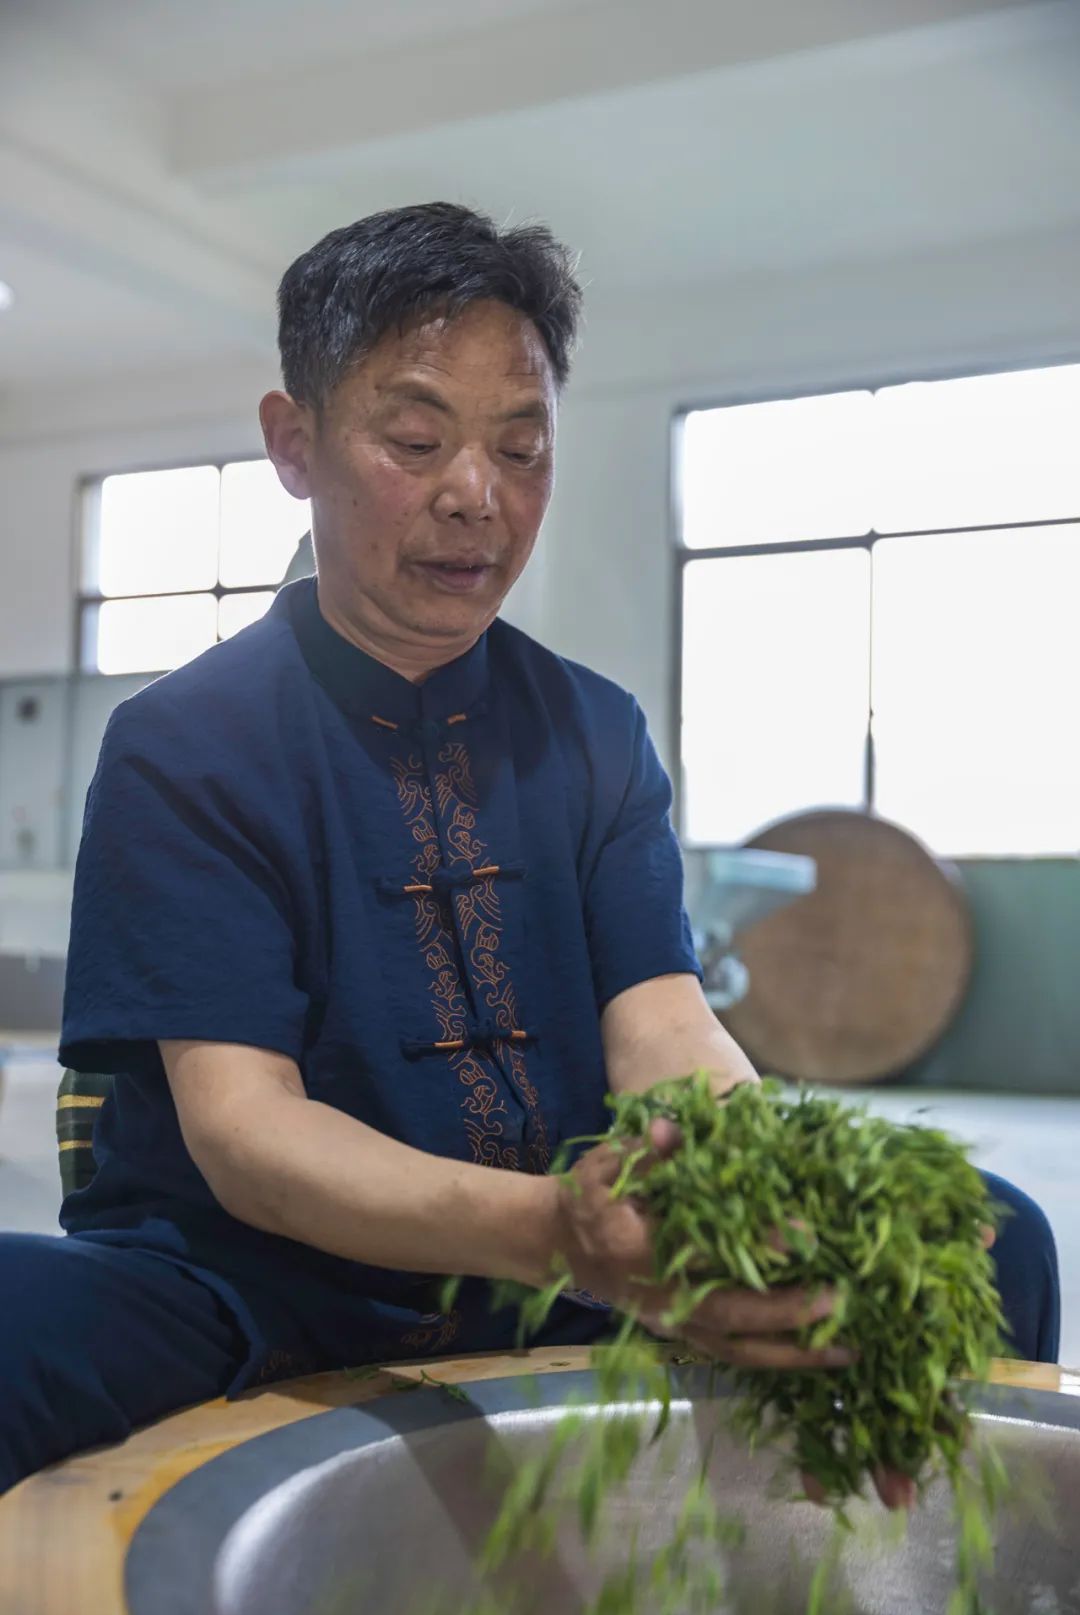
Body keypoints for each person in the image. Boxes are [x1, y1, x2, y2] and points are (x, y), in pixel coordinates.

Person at [0, 204, 1059, 1498]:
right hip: (259, 1283)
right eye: (416, 438)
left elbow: (666, 1028)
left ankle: (880, 1554)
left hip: (566, 1276)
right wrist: (555, 1230)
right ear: (296, 443)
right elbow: (246, 1133)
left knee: (990, 1239)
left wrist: (735, 1191)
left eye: (522, 446)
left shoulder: (593, 730)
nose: (475, 495)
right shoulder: (187, 743)